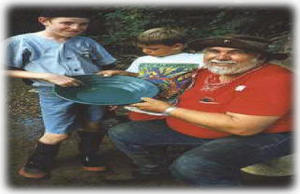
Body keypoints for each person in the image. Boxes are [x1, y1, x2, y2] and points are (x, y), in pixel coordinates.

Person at [107, 34, 292, 186]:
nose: (221, 57)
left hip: (261, 135)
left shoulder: (275, 79)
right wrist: (125, 86)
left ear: (259, 56)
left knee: (193, 165)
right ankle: (155, 169)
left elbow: (243, 127)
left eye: (235, 52)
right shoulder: (207, 71)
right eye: (214, 51)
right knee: (122, 132)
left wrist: (169, 109)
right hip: (196, 127)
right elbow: (166, 85)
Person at [6, 8, 116, 179]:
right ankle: (37, 162)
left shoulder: (87, 42)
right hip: (54, 93)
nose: (75, 28)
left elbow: (108, 66)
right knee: (57, 132)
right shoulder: (22, 42)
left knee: (93, 124)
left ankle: (89, 156)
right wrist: (47, 76)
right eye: (67, 22)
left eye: (83, 24)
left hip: (93, 89)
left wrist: (112, 88)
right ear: (44, 20)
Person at [98, 27, 204, 121]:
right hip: (144, 108)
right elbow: (134, 80)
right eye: (142, 48)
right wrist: (121, 78)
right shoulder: (142, 60)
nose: (145, 51)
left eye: (153, 49)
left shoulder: (198, 59)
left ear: (177, 46)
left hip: (180, 109)